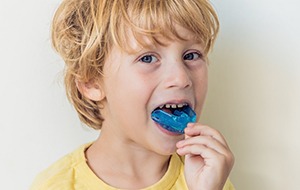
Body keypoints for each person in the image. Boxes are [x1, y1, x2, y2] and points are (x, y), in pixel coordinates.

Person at [31, 0, 235, 189]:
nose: (181, 78)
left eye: (190, 55)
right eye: (147, 58)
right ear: (91, 81)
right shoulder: (57, 185)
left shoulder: (208, 177)